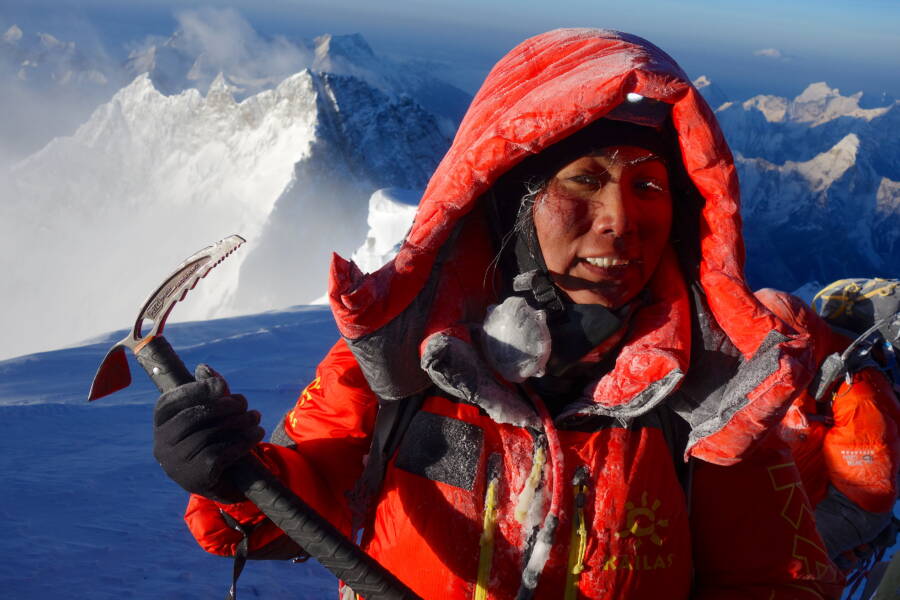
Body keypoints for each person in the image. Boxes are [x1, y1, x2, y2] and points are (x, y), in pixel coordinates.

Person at [152, 29, 845, 599]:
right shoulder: (409, 353)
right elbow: (292, 512)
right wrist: (227, 477)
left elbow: (774, 580)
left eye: (648, 185)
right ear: (513, 202)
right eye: (584, 179)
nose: (621, 220)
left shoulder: (713, 391)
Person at [756, 288, 900, 572]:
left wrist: (784, 558)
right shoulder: (798, 366)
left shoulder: (859, 397)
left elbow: (862, 504)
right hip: (761, 511)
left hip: (788, 532)